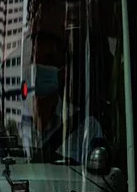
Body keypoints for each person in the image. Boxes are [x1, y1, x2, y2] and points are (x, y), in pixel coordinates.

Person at [23, 30, 106, 166]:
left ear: (64, 72)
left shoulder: (87, 128)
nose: (36, 67)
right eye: (33, 59)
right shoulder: (13, 124)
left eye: (47, 60)